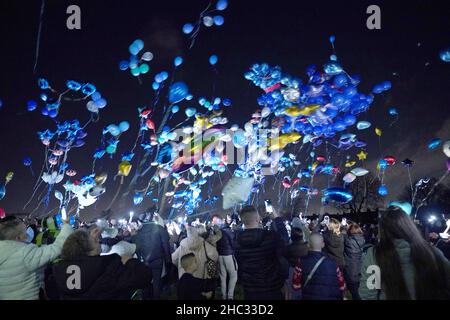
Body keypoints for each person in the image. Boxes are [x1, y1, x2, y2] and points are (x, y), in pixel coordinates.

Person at [359, 208, 450, 300]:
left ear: (382, 230)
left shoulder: (374, 255)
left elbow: (368, 294)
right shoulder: (432, 252)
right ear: (409, 226)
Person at [52, 227, 152, 300]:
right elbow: (145, 276)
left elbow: (84, 257)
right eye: (96, 241)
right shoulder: (108, 269)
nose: (99, 241)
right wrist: (129, 261)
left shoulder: (61, 271)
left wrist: (88, 238)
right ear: (88, 250)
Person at [0, 215, 73, 300]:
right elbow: (57, 247)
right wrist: (66, 226)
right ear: (18, 238)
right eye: (25, 233)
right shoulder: (25, 253)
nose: (28, 235)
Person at [233, 206, 287, 300]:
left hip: (249, 288)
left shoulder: (236, 240)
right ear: (258, 219)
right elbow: (285, 239)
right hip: (271, 287)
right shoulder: (269, 237)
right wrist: (277, 218)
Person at [172, 223, 221, 297]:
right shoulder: (203, 243)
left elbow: (174, 259)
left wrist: (183, 264)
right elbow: (215, 255)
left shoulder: (183, 245)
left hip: (185, 276)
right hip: (201, 276)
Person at [132, 211, 172, 299]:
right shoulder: (159, 228)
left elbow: (137, 248)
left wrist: (140, 260)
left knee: (146, 282)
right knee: (157, 282)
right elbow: (166, 245)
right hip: (158, 260)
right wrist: (169, 260)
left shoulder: (138, 232)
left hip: (144, 261)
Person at [297, 233, 346, 300]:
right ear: (323, 245)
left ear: (308, 245)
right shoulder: (333, 263)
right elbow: (342, 286)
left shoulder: (301, 262)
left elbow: (296, 286)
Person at [211, 215, 238, 300]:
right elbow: (233, 242)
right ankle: (230, 296)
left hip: (220, 255)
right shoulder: (227, 230)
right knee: (233, 275)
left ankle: (223, 296)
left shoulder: (215, 231)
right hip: (228, 255)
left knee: (223, 276)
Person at [343, 223, 365, 300]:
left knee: (354, 294)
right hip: (360, 270)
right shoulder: (362, 240)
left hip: (350, 271)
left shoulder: (348, 241)